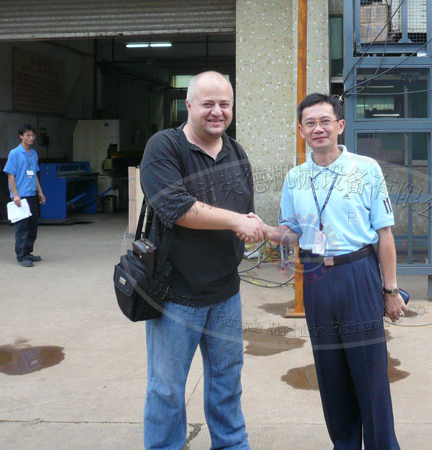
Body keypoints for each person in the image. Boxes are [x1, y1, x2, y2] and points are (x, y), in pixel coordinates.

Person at [258, 93, 408, 449]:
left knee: (370, 373)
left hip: (358, 273)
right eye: (310, 123)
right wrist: (264, 230)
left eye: (325, 121)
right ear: (301, 131)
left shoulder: (366, 170)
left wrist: (390, 290)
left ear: (340, 125)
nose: (318, 129)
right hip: (317, 279)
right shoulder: (295, 178)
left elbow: (384, 234)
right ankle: (344, 444)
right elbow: (293, 231)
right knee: (330, 372)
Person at [139, 71, 263, 450]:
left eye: (224, 104)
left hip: (225, 292)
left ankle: (231, 444)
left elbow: (243, 207)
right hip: (175, 295)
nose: (217, 112)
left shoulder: (235, 152)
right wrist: (236, 221)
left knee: (227, 382)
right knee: (167, 388)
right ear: (189, 105)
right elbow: (176, 208)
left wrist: (249, 224)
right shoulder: (165, 147)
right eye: (208, 104)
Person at [3, 124, 46, 267]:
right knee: (22, 228)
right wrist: (15, 195)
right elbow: (10, 175)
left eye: (33, 135)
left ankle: (28, 252)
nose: (31, 138)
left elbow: (35, 175)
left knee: (32, 226)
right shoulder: (15, 153)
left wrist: (40, 192)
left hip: (32, 195)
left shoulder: (33, 154)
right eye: (28, 135)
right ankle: (21, 256)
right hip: (20, 197)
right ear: (21, 136)